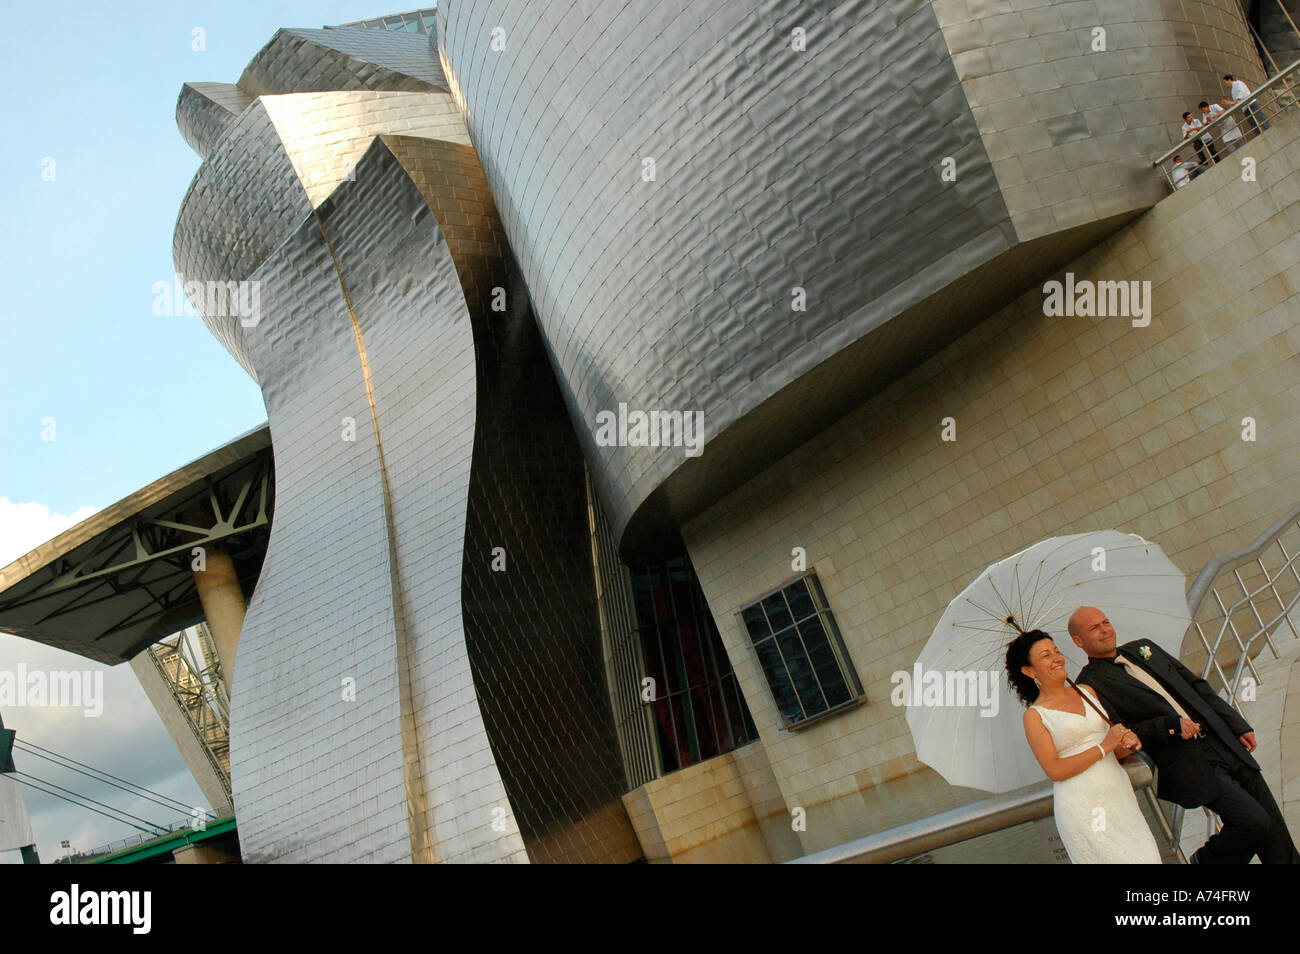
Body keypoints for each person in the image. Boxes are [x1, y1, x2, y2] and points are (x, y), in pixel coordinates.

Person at [1071, 606, 1300, 864]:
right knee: (1253, 822)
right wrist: (1169, 725)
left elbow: (1196, 685)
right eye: (1094, 628)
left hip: (1221, 738)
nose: (1105, 630)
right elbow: (1124, 736)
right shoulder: (1090, 685)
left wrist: (1237, 724)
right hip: (1191, 762)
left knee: (1275, 831)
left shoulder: (1144, 648)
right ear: (1078, 641)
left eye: (1105, 622)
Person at [1006, 629, 1163, 864]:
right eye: (1046, 656)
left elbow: (1114, 748)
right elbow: (1054, 770)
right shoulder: (1035, 716)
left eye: (1056, 651)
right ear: (1029, 671)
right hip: (1083, 807)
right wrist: (1103, 746)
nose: (1057, 658)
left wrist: (1127, 743)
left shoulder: (1086, 691)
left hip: (1118, 795)